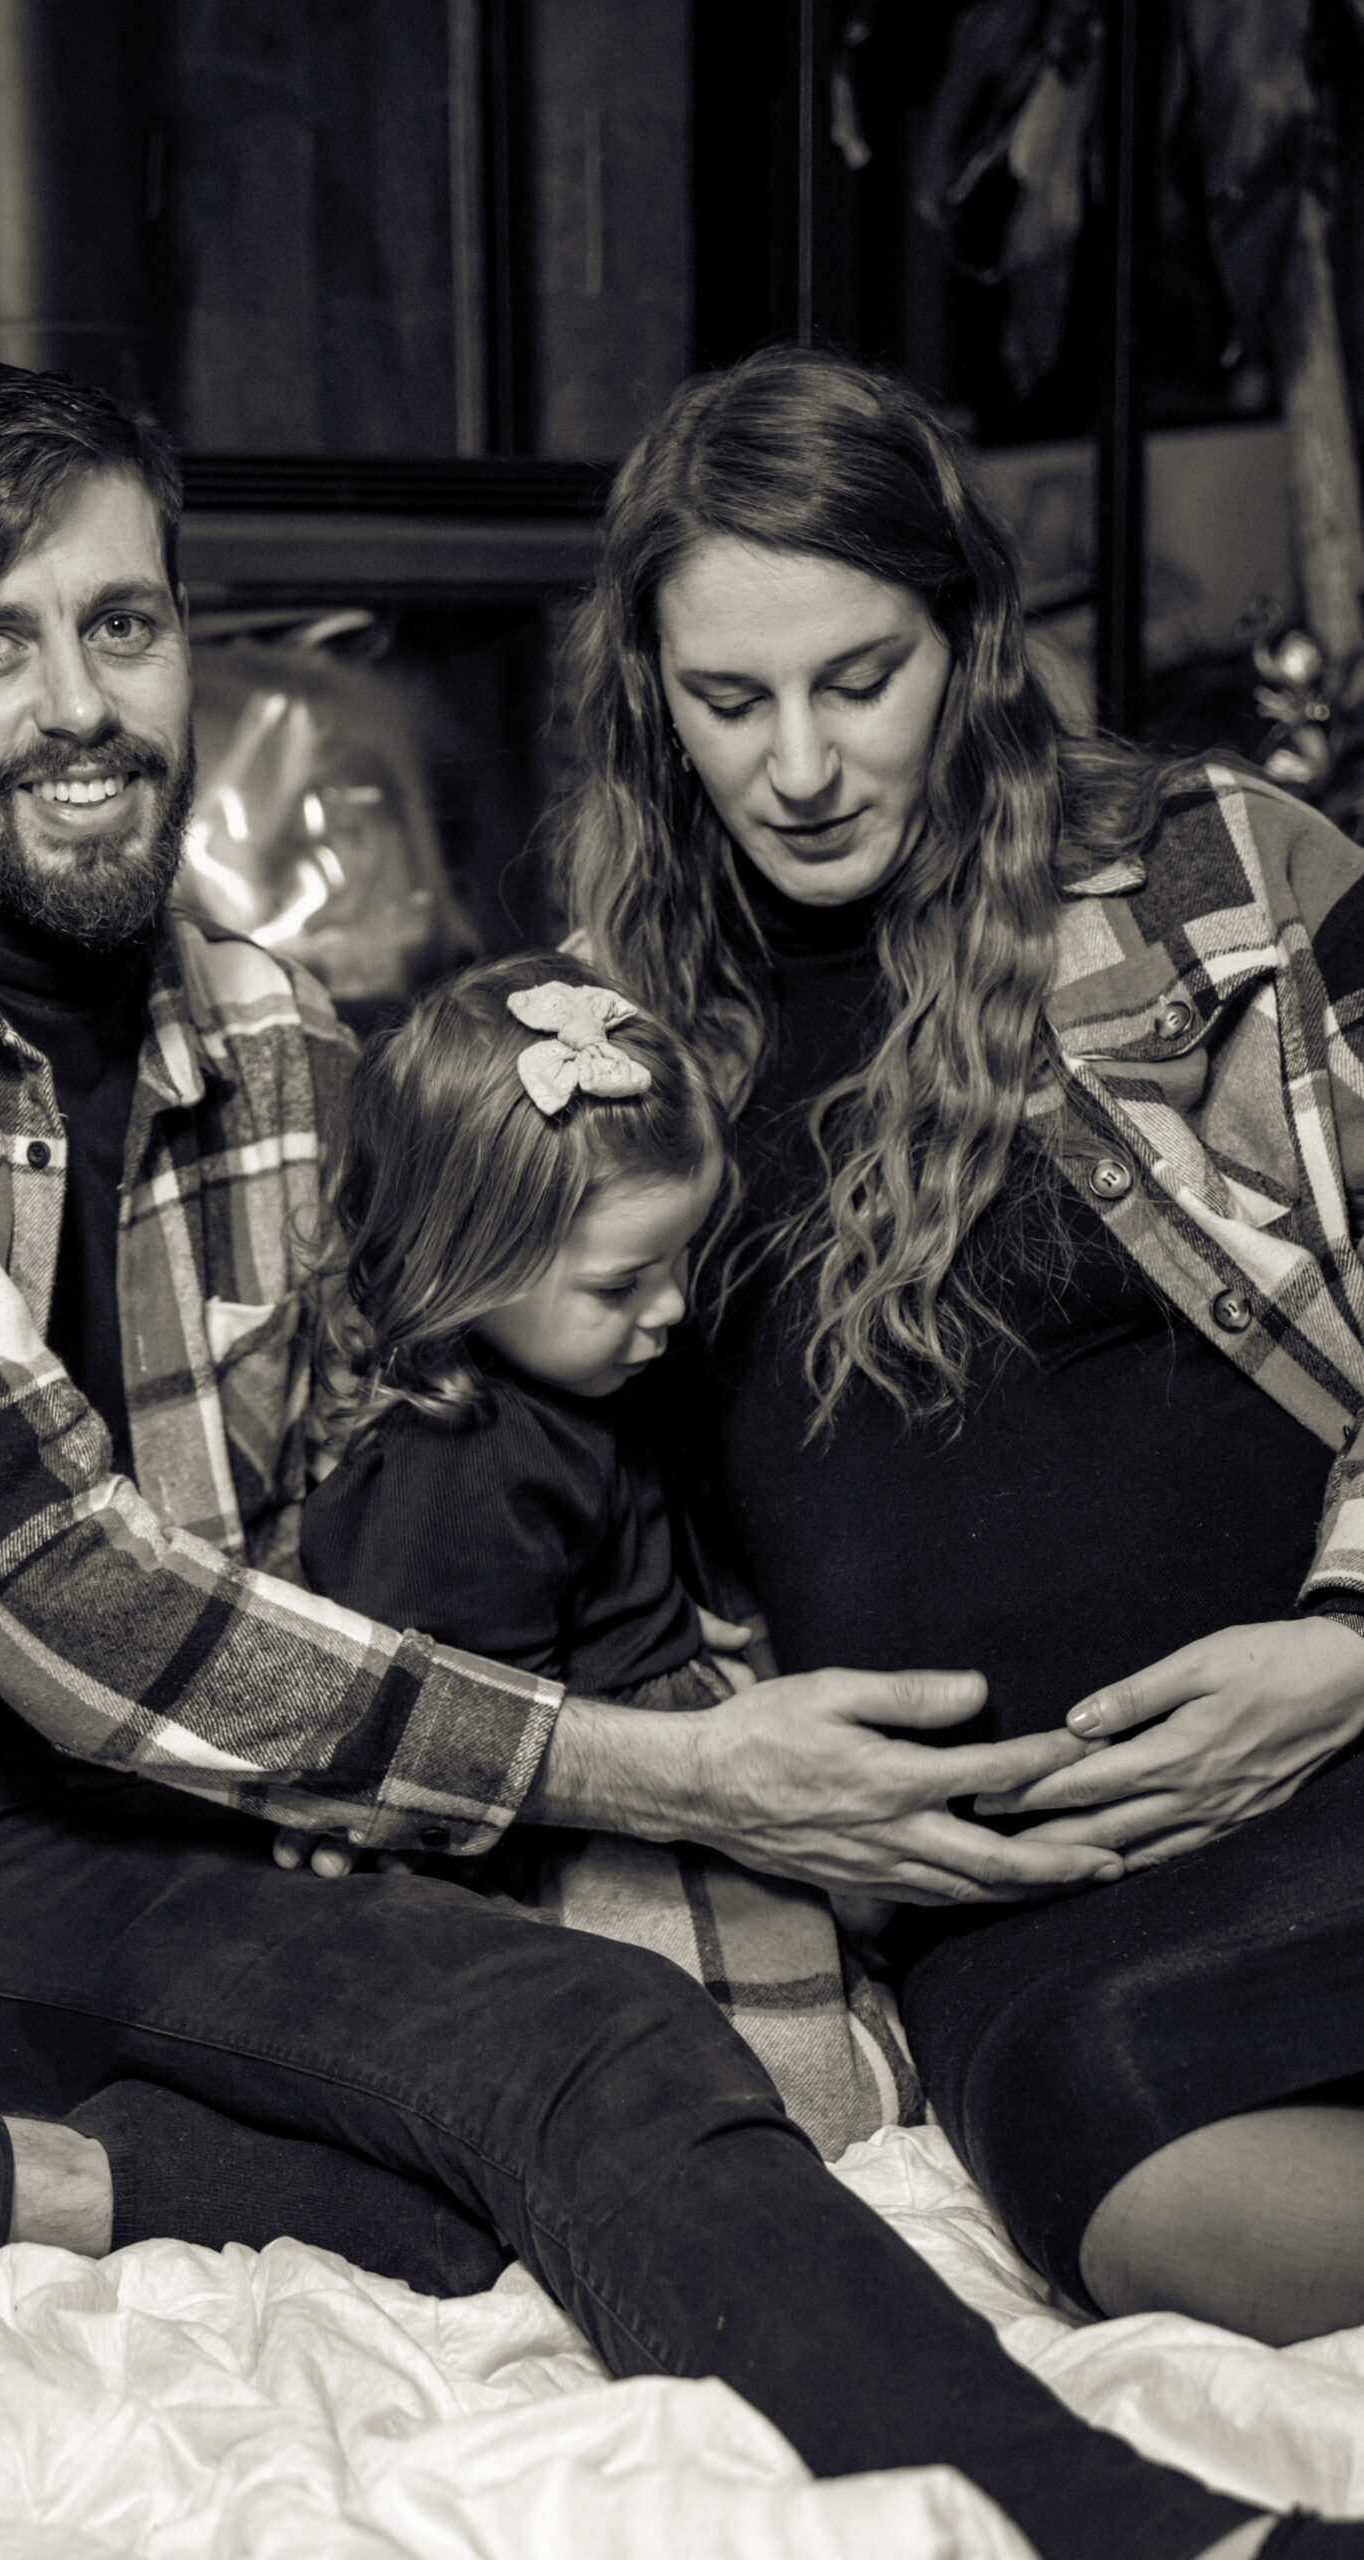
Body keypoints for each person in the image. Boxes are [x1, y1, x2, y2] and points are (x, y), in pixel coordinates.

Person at [0, 358, 1328, 2560]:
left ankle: (1136, 2522)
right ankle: (36, 2178)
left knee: (601, 2042)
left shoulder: (278, 1040)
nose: (77, 703)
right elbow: (69, 1592)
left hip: (130, 1846)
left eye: (122, 625)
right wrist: (671, 1772)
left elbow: (424, 1419)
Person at [548, 339, 1364, 2371]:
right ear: (652, 689)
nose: (802, 762)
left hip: (1333, 1728)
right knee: (1142, 2190)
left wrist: (1352, 1635)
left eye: (863, 677)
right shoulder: (610, 1026)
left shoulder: (1215, 866)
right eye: (730, 699)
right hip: (1019, 1883)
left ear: (971, 643)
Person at [298, 948, 918, 2156]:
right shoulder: (466, 1469)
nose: (674, 1306)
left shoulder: (580, 1376)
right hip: (589, 1816)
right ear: (460, 1268)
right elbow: (438, 1733)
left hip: (670, 1731)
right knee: (758, 2099)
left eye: (683, 1256)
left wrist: (682, 1603)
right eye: (623, 1281)